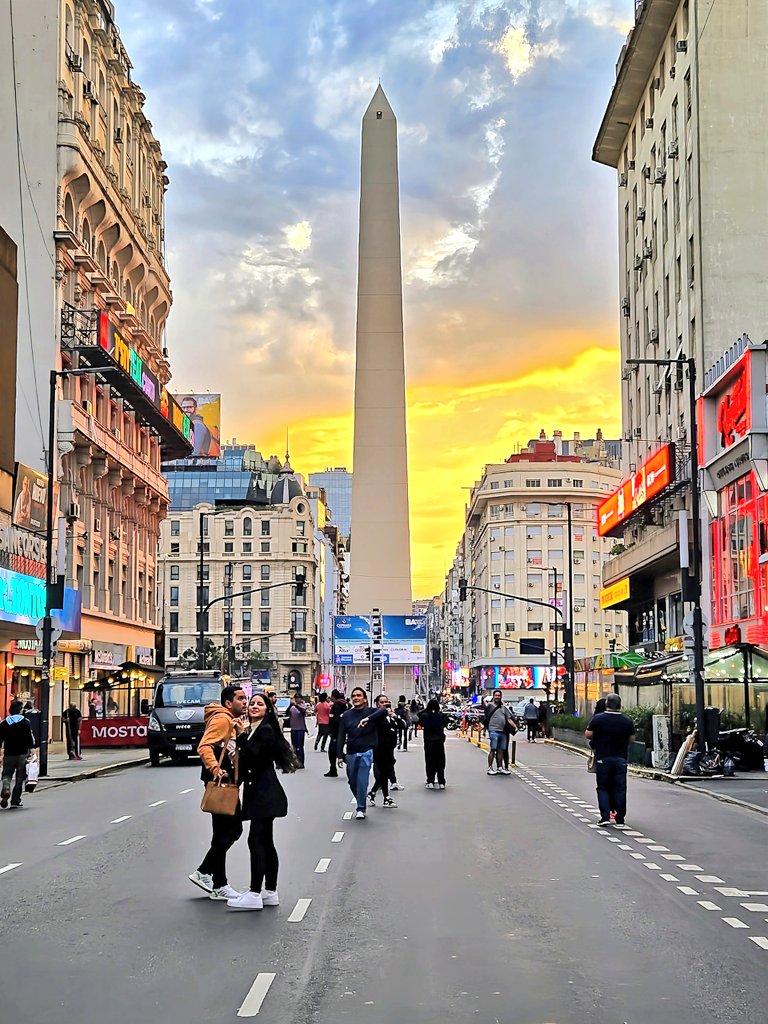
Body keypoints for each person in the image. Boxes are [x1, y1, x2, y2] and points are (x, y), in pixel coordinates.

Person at [226, 693, 298, 911]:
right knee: (265, 842)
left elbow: (255, 755)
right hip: (262, 792)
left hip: (263, 793)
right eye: (252, 703)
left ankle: (255, 893)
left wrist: (239, 737)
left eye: (260, 704)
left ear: (267, 709)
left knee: (256, 841)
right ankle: (270, 891)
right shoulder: (256, 729)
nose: (254, 706)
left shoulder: (264, 730)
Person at [189, 684, 248, 900]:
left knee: (226, 832)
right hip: (221, 782)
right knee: (230, 831)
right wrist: (216, 768)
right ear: (228, 703)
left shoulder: (231, 720)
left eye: (245, 698)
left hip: (228, 783)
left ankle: (216, 882)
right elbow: (204, 746)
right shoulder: (222, 719)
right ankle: (208, 874)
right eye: (240, 698)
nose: (245, 701)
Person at [585, 693, 635, 827]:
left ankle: (605, 816)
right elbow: (632, 738)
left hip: (603, 758)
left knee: (603, 787)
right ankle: (620, 818)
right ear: (620, 705)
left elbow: (588, 734)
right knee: (620, 788)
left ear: (607, 704)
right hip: (621, 759)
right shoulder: (627, 721)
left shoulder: (598, 719)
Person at [337, 687, 388, 819]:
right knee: (352, 781)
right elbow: (341, 735)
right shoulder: (346, 715)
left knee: (362, 781)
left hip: (367, 751)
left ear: (365, 698)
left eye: (359, 695)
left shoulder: (371, 712)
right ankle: (360, 798)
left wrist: (368, 719)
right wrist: (339, 755)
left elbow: (383, 711)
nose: (356, 698)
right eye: (354, 696)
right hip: (351, 752)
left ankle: (361, 807)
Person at [0, 699, 37, 808]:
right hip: (22, 754)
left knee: (6, 775)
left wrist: (1, 754)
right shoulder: (26, 722)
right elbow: (30, 739)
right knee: (20, 778)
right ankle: (16, 800)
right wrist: (33, 753)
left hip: (9, 754)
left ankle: (6, 789)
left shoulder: (4, 723)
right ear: (20, 710)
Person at [368, 694, 399, 808]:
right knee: (384, 773)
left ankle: (373, 793)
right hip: (379, 748)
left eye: (386, 702)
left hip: (389, 748)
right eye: (382, 702)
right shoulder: (376, 717)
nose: (384, 704)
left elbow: (402, 726)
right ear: (377, 704)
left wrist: (394, 716)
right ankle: (385, 798)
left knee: (385, 773)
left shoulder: (389, 716)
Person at [482, 691, 516, 776]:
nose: (497, 697)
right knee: (493, 749)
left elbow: (509, 719)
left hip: (502, 731)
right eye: (496, 695)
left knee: (501, 750)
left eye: (499, 695)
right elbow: (485, 714)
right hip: (493, 730)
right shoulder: (490, 706)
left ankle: (500, 767)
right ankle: (490, 768)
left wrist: (515, 727)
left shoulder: (503, 708)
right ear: (493, 696)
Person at [418, 698, 447, 789]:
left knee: (430, 761)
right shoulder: (441, 716)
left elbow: (419, 717)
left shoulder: (425, 716)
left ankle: (430, 780)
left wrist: (426, 710)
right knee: (440, 761)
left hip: (428, 741)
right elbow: (446, 723)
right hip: (439, 741)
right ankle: (441, 781)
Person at [324, 690, 348, 777]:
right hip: (340, 731)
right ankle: (333, 769)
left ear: (333, 696)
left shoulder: (336, 705)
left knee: (333, 751)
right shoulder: (343, 704)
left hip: (336, 732)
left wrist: (332, 731)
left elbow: (336, 720)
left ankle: (350, 763)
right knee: (335, 750)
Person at [287, 694, 308, 768]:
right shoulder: (292, 707)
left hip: (300, 729)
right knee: (294, 747)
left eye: (298, 698)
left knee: (300, 746)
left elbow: (302, 711)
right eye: (295, 698)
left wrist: (296, 705)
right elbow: (287, 713)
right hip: (293, 729)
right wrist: (290, 705)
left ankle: (301, 762)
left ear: (301, 699)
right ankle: (295, 762)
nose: (296, 700)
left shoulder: (303, 706)